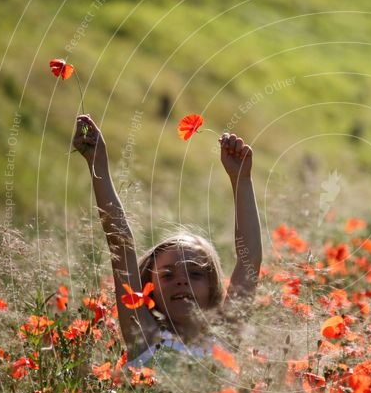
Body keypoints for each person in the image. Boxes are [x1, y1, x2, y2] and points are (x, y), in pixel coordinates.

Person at [72, 114, 262, 368]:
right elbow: (121, 243)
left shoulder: (224, 341)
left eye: (195, 273)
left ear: (214, 286)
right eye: (168, 275)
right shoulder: (146, 337)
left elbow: (250, 259)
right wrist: (98, 164)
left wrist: (241, 180)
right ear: (148, 287)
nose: (181, 280)